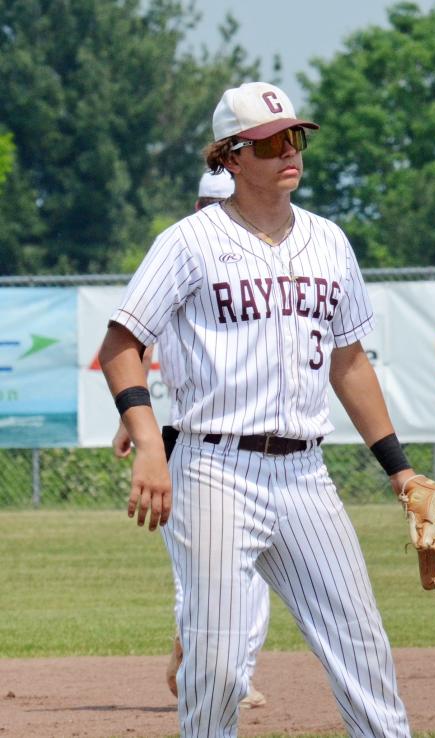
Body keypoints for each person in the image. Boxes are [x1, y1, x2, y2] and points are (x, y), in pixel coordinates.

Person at [99, 81, 418, 738]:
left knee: (362, 646)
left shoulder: (330, 242)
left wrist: (401, 470)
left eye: (294, 137)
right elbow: (120, 345)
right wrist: (151, 444)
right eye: (270, 143)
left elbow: (349, 363)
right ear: (231, 157)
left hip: (305, 474)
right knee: (216, 665)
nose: (288, 152)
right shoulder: (190, 242)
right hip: (214, 469)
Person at [110, 169, 270, 710]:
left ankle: (227, 668)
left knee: (248, 576)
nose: (212, 211)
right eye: (208, 202)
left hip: (254, 449)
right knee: (201, 572)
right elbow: (134, 342)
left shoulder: (249, 261)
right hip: (191, 443)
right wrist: (136, 423)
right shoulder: (188, 253)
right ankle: (210, 663)